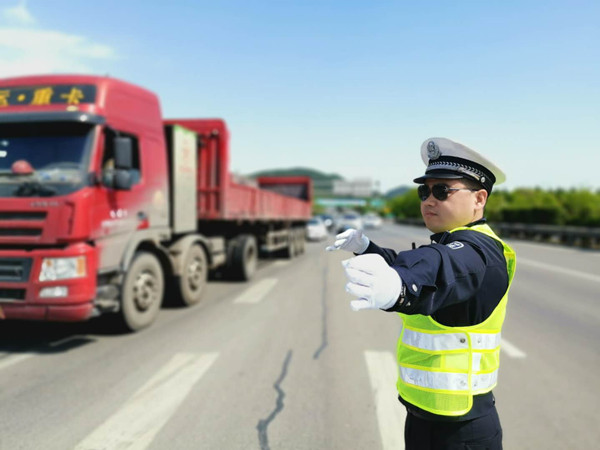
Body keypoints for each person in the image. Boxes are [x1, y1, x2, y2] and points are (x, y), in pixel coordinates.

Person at [326, 137, 516, 450]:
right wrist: (366, 249)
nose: (428, 200)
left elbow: (440, 266)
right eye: (423, 191)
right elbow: (415, 262)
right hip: (422, 418)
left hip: (462, 431)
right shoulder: (449, 242)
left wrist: (402, 287)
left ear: (479, 199)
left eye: (442, 190)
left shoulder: (480, 249)